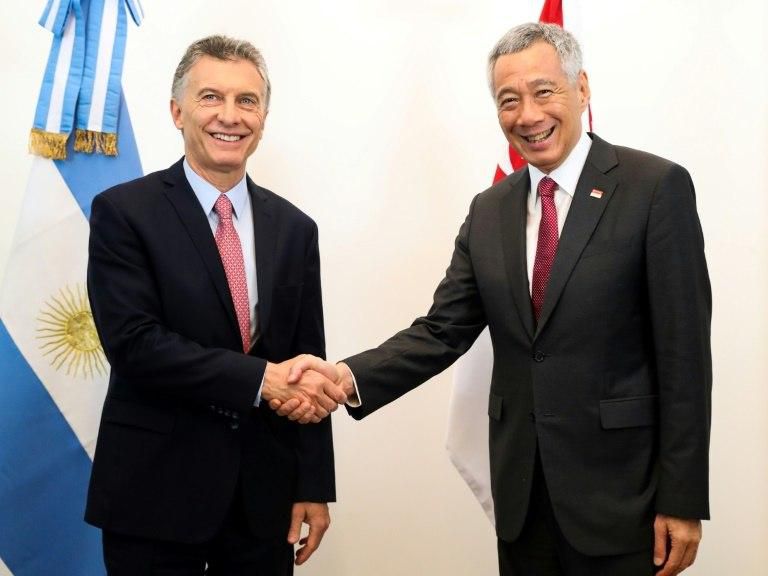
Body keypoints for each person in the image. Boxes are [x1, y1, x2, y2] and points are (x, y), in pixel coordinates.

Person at [278, 22, 711, 576]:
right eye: (509, 101)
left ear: (582, 89)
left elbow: (685, 356)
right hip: (523, 497)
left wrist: (683, 498)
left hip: (624, 497)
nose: (527, 115)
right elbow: (441, 330)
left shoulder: (654, 188)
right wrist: (342, 378)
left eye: (543, 91)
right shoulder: (490, 210)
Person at [85, 35, 346, 575]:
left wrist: (313, 484)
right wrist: (260, 380)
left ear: (264, 117)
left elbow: (307, 361)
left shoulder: (295, 229)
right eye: (211, 98)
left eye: (247, 101)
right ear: (177, 111)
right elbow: (136, 345)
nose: (230, 116)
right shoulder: (123, 213)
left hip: (263, 502)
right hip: (153, 496)